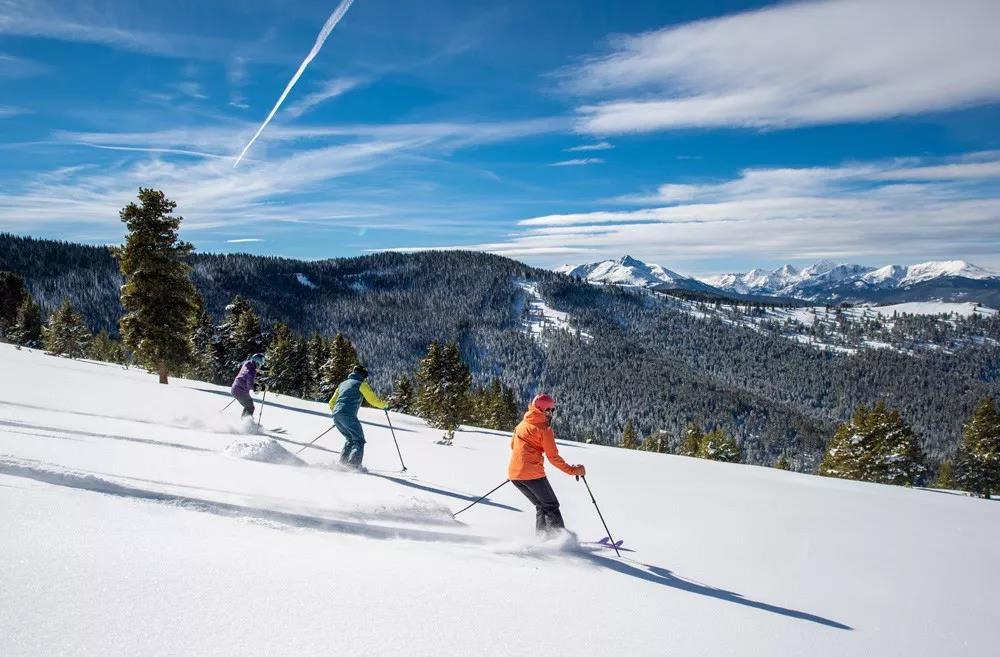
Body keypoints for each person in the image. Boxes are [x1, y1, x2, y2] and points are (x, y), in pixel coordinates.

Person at [508, 393, 585, 536]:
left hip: (515, 475)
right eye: (550, 410)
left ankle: (543, 538)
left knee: (541, 505)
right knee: (551, 505)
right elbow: (553, 457)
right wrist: (573, 470)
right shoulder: (544, 429)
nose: (552, 413)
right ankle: (560, 541)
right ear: (543, 410)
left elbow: (513, 445)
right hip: (532, 475)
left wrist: (521, 467)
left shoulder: (522, 424)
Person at [329, 364, 387, 469]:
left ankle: (342, 464)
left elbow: (331, 402)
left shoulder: (343, 384)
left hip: (336, 415)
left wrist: (339, 414)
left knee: (350, 439)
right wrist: (384, 405)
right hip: (347, 415)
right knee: (359, 440)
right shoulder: (360, 384)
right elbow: (372, 400)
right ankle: (353, 465)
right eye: (365, 376)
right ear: (362, 375)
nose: (365, 378)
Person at [231, 353, 265, 418]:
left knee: (248, 406)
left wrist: (257, 380)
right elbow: (250, 384)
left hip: (235, 388)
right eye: (260, 364)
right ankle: (246, 424)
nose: (260, 366)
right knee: (250, 407)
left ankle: (244, 422)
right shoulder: (251, 371)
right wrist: (260, 388)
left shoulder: (247, 364)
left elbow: (247, 377)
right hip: (240, 390)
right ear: (257, 363)